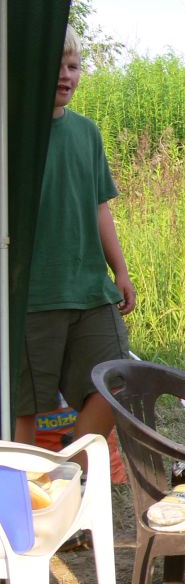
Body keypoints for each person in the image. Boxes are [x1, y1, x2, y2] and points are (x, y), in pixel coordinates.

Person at [15, 26, 135, 470]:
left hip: (89, 289)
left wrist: (120, 271)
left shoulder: (87, 132)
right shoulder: (13, 133)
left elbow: (100, 206)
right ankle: (24, 501)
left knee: (120, 379)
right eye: (56, 66)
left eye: (73, 66)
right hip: (32, 296)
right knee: (24, 405)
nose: (66, 76)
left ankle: (67, 472)